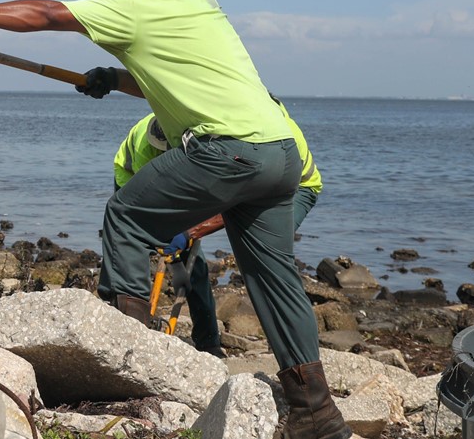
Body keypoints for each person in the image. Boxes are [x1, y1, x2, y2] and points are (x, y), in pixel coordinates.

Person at [0, 0, 350, 439]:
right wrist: (112, 79)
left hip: (228, 150)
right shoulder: (202, 5)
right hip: (281, 155)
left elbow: (47, 14)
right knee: (273, 280)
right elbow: (170, 76)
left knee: (127, 216)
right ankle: (317, 415)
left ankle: (128, 369)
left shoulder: (141, 5)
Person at [116, 95, 322, 359]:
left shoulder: (263, 132)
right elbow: (157, 200)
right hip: (129, 181)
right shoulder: (159, 143)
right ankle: (130, 328)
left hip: (295, 188)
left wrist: (190, 232)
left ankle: (231, 345)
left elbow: (240, 207)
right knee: (135, 248)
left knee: (266, 264)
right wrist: (170, 231)